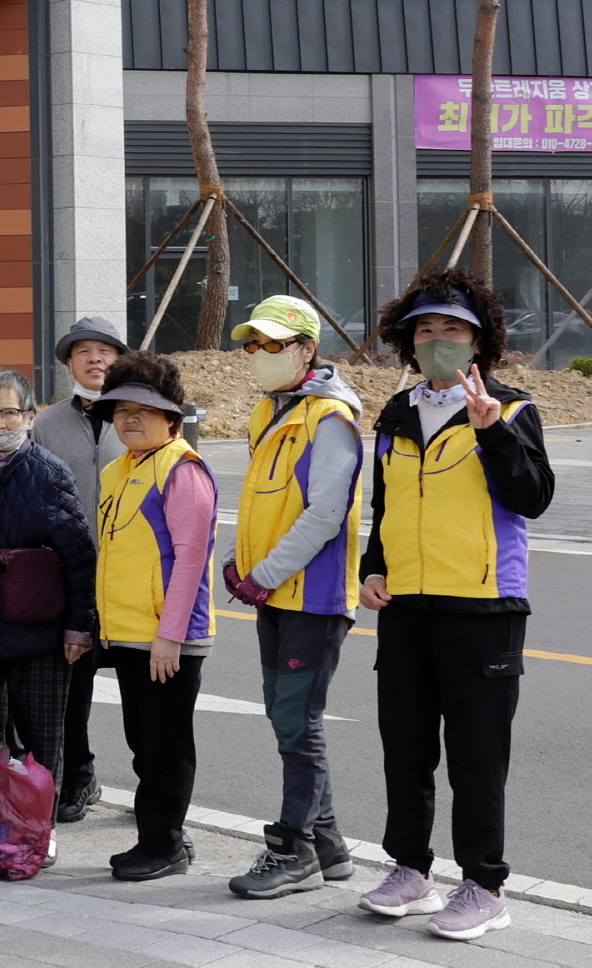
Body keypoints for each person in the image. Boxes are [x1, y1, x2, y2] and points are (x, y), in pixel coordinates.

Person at [356, 270, 553, 940]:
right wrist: (374, 567)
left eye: (454, 329)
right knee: (404, 748)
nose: (439, 339)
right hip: (408, 606)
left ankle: (485, 885)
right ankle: (410, 869)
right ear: (409, 341)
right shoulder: (396, 413)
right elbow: (384, 506)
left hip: (484, 605)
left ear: (480, 341)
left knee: (475, 755)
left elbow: (532, 498)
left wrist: (492, 431)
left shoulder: (513, 408)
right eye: (427, 329)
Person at [220, 296, 363, 899]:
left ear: (308, 349)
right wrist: (241, 561)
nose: (260, 355)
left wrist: (265, 572)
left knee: (295, 721)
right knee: (288, 716)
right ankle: (328, 844)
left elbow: (325, 513)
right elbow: (266, 502)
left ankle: (294, 848)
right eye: (253, 344)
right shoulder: (271, 412)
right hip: (277, 592)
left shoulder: (330, 418)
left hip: (314, 596)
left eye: (274, 345)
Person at [0, 369, 97, 808]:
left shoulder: (50, 473)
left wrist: (79, 627)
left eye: (9, 413)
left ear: (30, 417)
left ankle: (38, 827)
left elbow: (80, 556)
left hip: (39, 632)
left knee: (43, 739)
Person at [89, 352, 217, 882]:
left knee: (165, 746)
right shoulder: (121, 468)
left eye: (143, 410)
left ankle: (163, 844)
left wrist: (169, 637)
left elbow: (190, 559)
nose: (129, 419)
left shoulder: (181, 469)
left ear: (172, 418)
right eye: (120, 410)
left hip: (166, 639)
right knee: (144, 741)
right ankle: (158, 839)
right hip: (129, 633)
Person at [32, 315, 129, 824]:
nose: (95, 359)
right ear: (68, 363)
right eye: (83, 351)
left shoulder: (140, 417)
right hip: (71, 577)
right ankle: (78, 775)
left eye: (106, 351)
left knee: (145, 689)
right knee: (73, 686)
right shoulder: (46, 424)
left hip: (133, 578)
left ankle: (156, 789)